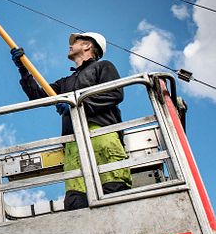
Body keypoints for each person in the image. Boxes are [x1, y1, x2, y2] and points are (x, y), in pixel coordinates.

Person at [11, 32, 132, 210]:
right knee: (77, 198)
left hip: (102, 134)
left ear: (87, 46)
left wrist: (78, 106)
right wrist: (23, 68)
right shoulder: (65, 83)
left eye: (75, 42)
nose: (70, 45)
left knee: (113, 188)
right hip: (73, 142)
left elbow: (114, 93)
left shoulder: (103, 67)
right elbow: (36, 95)